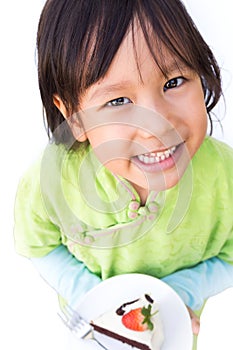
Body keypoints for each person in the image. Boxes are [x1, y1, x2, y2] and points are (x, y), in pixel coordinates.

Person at [14, 0, 233, 348]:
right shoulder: (50, 183)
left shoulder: (226, 178)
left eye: (174, 81)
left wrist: (182, 292)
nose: (158, 125)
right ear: (75, 117)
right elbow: (38, 246)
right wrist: (92, 296)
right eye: (117, 102)